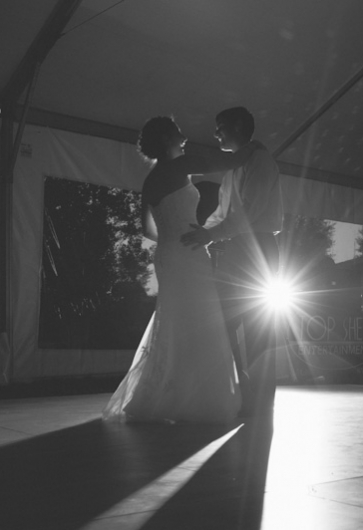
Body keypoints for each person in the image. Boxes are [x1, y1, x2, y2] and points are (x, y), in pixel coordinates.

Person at [103, 116, 256, 423]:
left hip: (169, 252)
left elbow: (147, 230)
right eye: (178, 133)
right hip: (187, 253)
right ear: (167, 139)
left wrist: (173, 235)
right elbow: (223, 162)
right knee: (201, 321)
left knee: (177, 320)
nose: (184, 137)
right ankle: (199, 399)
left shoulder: (151, 180)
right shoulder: (179, 166)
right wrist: (253, 148)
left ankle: (169, 394)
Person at [180, 106, 283, 419]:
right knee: (225, 323)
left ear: (238, 126)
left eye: (220, 126)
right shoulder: (234, 167)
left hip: (258, 248)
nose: (215, 134)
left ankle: (261, 401)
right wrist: (202, 231)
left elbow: (249, 214)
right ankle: (243, 391)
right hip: (236, 248)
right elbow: (224, 213)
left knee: (256, 329)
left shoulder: (260, 161)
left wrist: (209, 235)